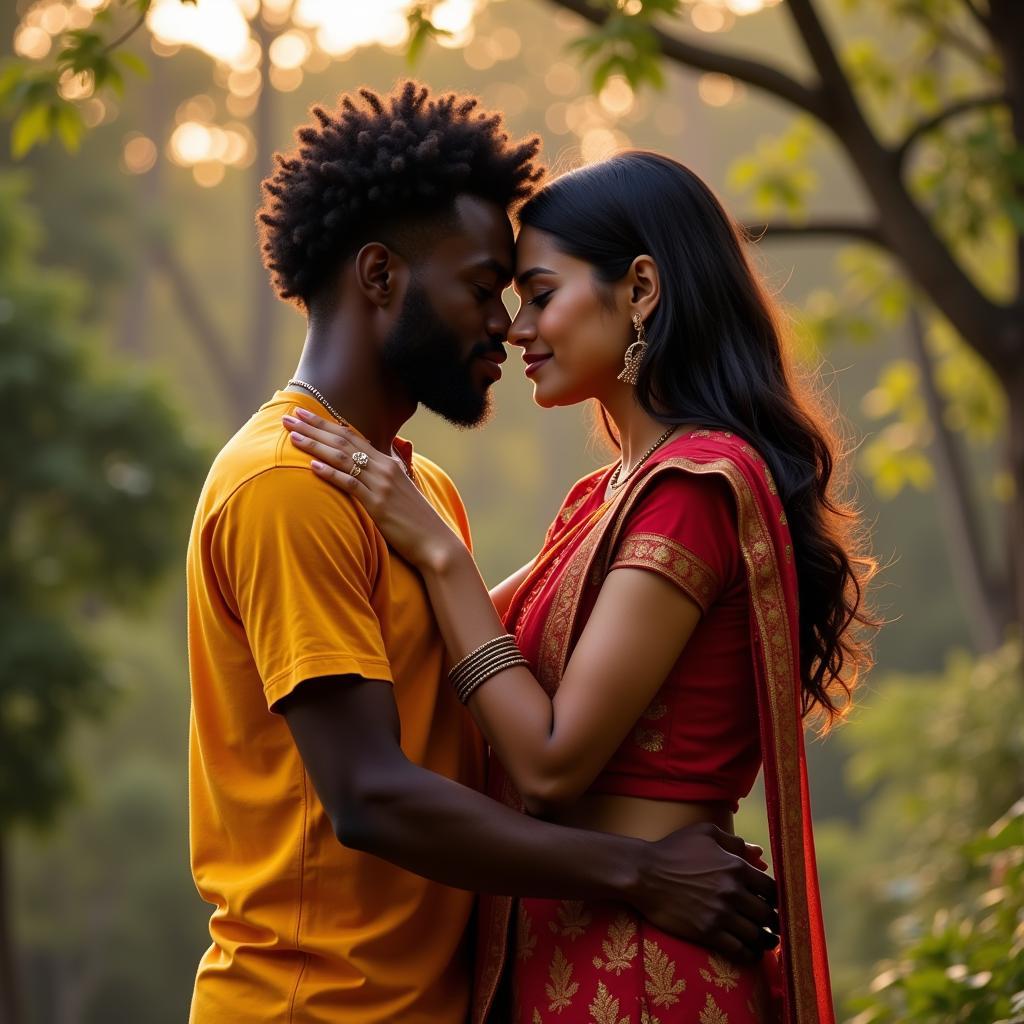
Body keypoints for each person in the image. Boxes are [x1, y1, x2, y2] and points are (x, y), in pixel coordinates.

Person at [186, 84, 779, 1024]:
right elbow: (371, 795)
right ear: (380, 278)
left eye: (529, 295)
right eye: (484, 290)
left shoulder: (421, 495)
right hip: (314, 1006)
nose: (506, 326)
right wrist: (642, 870)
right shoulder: (289, 482)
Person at [285, 149, 878, 1024]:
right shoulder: (602, 501)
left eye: (540, 293)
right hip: (573, 951)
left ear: (640, 289)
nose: (514, 329)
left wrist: (439, 550)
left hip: (645, 970)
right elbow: (462, 664)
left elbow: (552, 762)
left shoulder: (690, 493)